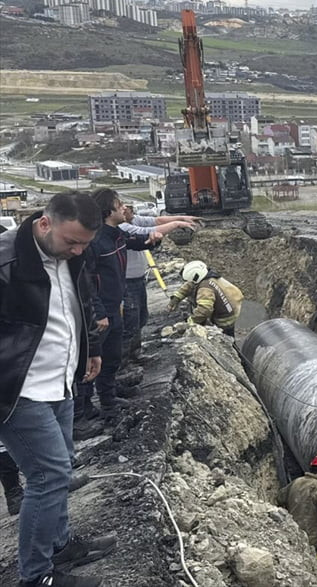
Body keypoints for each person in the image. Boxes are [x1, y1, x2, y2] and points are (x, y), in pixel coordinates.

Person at [0, 192, 117, 587]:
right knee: (48, 475)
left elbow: (79, 304)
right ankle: (36, 576)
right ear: (45, 223)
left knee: (62, 465)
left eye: (84, 244)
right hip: (18, 391)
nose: (79, 250)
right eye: (72, 242)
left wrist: (91, 349)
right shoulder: (6, 261)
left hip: (61, 381)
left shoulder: (72, 254)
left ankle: (60, 544)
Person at [78, 189, 158, 422]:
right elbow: (86, 281)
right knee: (91, 361)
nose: (125, 207)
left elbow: (136, 243)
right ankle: (82, 412)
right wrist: (98, 312)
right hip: (100, 314)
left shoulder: (116, 234)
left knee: (111, 358)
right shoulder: (95, 242)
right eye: (119, 204)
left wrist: (152, 240)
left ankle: (108, 401)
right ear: (108, 211)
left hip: (115, 308)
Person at [119, 206, 197, 361]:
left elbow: (157, 220)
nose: (128, 209)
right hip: (127, 282)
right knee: (130, 320)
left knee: (141, 317)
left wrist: (181, 218)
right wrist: (176, 224)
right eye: (123, 207)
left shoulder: (133, 220)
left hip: (138, 279)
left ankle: (135, 353)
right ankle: (123, 361)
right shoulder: (122, 227)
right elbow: (150, 230)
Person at [168, 260, 244, 336]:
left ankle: (230, 341)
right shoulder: (207, 275)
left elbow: (204, 310)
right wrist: (176, 298)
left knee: (226, 334)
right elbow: (189, 285)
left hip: (226, 316)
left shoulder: (205, 290)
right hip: (232, 305)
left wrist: (190, 322)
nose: (189, 282)